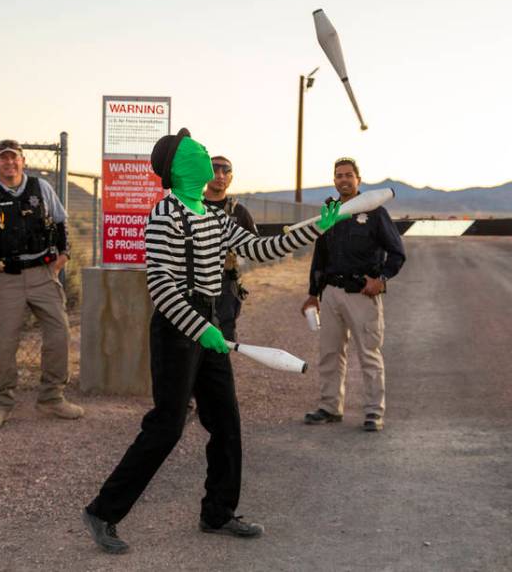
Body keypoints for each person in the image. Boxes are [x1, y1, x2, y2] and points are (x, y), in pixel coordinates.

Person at [81, 129, 349, 554]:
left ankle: (218, 512)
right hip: (176, 328)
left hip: (210, 321)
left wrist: (319, 226)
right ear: (179, 166)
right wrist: (200, 328)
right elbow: (161, 287)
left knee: (225, 422)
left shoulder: (214, 215)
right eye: (197, 151)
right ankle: (103, 511)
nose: (207, 153)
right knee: (167, 427)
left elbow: (262, 248)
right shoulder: (163, 215)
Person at [0, 139, 83, 428]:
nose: (9, 163)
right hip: (5, 278)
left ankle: (52, 399)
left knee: (59, 333)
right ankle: (1, 403)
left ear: (23, 161)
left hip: (42, 274)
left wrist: (62, 258)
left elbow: (62, 223)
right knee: (3, 343)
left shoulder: (41, 188)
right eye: (4, 158)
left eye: (14, 158)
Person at [300, 157, 406, 432]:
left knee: (369, 355)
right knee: (329, 354)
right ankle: (329, 407)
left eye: (348, 175)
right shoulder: (330, 210)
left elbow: (397, 252)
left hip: (362, 294)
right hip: (332, 293)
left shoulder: (374, 212)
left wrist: (381, 281)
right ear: (334, 180)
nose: (343, 179)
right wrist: (313, 294)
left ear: (358, 179)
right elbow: (320, 255)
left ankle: (374, 413)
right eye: (339, 175)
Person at [203, 155, 258, 341]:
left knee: (224, 340)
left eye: (225, 172)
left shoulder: (239, 212)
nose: (220, 176)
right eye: (215, 170)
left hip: (226, 286)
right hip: (196, 285)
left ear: (231, 178)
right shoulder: (194, 207)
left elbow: (255, 247)